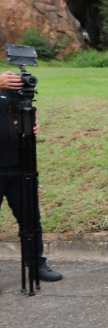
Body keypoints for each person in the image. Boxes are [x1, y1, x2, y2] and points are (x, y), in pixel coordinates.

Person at [0, 70, 63, 283]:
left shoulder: (15, 88)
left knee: (30, 220)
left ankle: (37, 265)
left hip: (22, 165)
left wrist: (31, 124)